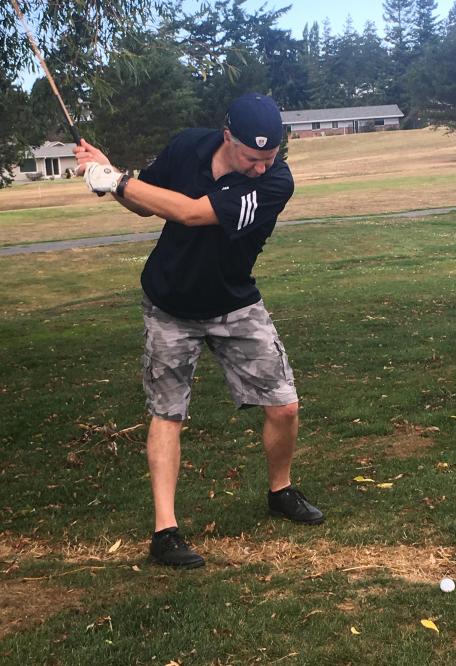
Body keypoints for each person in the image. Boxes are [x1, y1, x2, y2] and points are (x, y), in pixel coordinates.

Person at [74, 92, 324, 569]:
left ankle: (281, 491)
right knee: (167, 414)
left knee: (285, 405)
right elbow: (145, 204)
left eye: (269, 157)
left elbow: (191, 212)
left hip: (234, 303)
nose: (260, 168)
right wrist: (109, 178)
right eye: (251, 158)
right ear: (227, 136)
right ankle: (165, 532)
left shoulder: (276, 183)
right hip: (169, 303)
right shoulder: (188, 145)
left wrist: (116, 179)